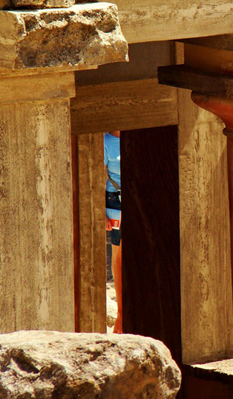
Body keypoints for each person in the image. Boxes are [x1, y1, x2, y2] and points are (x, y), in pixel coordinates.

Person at [105, 131, 123, 333]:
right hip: (114, 203)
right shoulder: (106, 141)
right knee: (118, 257)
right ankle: (120, 315)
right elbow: (96, 175)